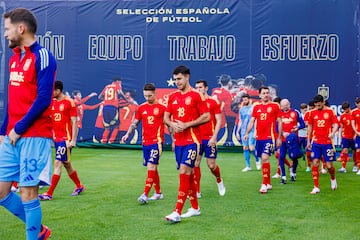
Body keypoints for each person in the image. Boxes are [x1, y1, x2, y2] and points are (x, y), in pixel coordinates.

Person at [0, 8, 56, 239]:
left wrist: (18, 129)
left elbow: (43, 99)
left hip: (34, 135)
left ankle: (33, 236)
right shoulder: (15, 59)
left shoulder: (43, 56)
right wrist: (3, 131)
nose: (5, 34)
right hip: (12, 136)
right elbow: (13, 101)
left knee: (28, 192)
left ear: (20, 28)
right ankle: (40, 230)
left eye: (7, 28)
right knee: (2, 192)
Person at [164, 65, 210, 223]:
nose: (177, 82)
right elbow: (165, 117)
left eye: (180, 78)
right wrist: (172, 124)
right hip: (179, 142)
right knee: (188, 175)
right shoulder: (172, 97)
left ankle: (177, 211)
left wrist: (188, 124)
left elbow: (206, 117)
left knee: (184, 171)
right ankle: (195, 208)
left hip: (193, 141)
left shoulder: (197, 96)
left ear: (187, 77)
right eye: (175, 79)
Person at [38, 81, 85, 201]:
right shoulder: (52, 102)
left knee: (57, 163)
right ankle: (79, 186)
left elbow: (74, 122)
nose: (51, 93)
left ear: (58, 91)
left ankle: (49, 193)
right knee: (67, 164)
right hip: (57, 139)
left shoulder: (69, 102)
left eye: (52, 91)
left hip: (66, 139)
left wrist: (73, 140)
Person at [121, 83, 166, 204]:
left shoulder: (162, 108)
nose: (147, 98)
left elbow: (168, 124)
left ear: (155, 93)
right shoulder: (141, 108)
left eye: (150, 96)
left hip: (157, 142)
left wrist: (175, 139)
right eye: (145, 96)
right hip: (145, 143)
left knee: (151, 166)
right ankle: (158, 193)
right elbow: (134, 123)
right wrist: (127, 134)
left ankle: (145, 194)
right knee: (153, 168)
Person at [244, 86, 282, 194]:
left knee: (265, 157)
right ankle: (268, 182)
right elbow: (252, 121)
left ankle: (264, 184)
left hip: (270, 137)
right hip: (259, 138)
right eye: (264, 93)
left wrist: (279, 137)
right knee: (263, 159)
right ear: (259, 95)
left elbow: (279, 121)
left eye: (267, 93)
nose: (266, 95)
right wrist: (247, 133)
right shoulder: (256, 107)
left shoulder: (275, 106)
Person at [193, 80, 225, 198]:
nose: (198, 89)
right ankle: (197, 191)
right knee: (195, 163)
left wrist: (214, 136)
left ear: (206, 88)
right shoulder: (194, 103)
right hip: (196, 138)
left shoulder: (213, 102)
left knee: (211, 165)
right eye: (196, 87)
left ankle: (219, 179)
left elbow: (219, 121)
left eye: (200, 87)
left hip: (209, 138)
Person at [306, 95, 338, 194]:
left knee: (329, 166)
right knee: (315, 162)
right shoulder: (311, 113)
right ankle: (316, 187)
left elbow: (336, 124)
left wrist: (332, 133)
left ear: (323, 102)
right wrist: (308, 141)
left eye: (319, 103)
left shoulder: (330, 111)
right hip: (316, 142)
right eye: (316, 104)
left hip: (327, 142)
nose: (317, 105)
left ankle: (333, 178)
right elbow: (310, 127)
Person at [278, 99, 305, 183]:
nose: (285, 107)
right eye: (283, 105)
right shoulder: (278, 113)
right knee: (281, 156)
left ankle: (293, 173)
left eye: (286, 105)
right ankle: (283, 177)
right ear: (281, 106)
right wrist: (282, 133)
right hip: (283, 139)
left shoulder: (295, 112)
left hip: (293, 139)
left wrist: (298, 128)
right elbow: (275, 126)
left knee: (294, 157)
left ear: (289, 104)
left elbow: (303, 124)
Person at [236, 93, 261, 172]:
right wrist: (237, 131)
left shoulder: (253, 108)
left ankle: (257, 159)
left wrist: (255, 131)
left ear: (249, 99)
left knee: (251, 147)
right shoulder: (241, 109)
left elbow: (255, 119)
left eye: (246, 99)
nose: (244, 101)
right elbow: (240, 121)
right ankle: (248, 166)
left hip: (251, 130)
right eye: (243, 100)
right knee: (245, 148)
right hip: (243, 131)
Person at [98, 77, 127, 143]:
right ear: (117, 81)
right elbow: (120, 93)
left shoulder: (107, 86)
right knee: (116, 125)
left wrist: (107, 100)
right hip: (112, 107)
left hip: (105, 107)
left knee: (107, 126)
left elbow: (99, 97)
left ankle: (104, 140)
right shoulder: (117, 85)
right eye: (120, 82)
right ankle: (111, 141)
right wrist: (126, 100)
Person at [337, 101, 356, 173]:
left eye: (346, 109)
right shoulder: (342, 116)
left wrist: (356, 134)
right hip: (345, 136)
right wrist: (341, 137)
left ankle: (355, 165)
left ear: (349, 107)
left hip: (353, 136)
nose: (345, 110)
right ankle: (343, 167)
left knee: (355, 152)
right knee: (345, 150)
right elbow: (341, 127)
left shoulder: (353, 114)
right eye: (344, 109)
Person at [351, 97, 360, 174]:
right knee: (358, 150)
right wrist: (356, 132)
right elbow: (353, 123)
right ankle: (358, 167)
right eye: (358, 105)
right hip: (358, 134)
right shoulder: (354, 112)